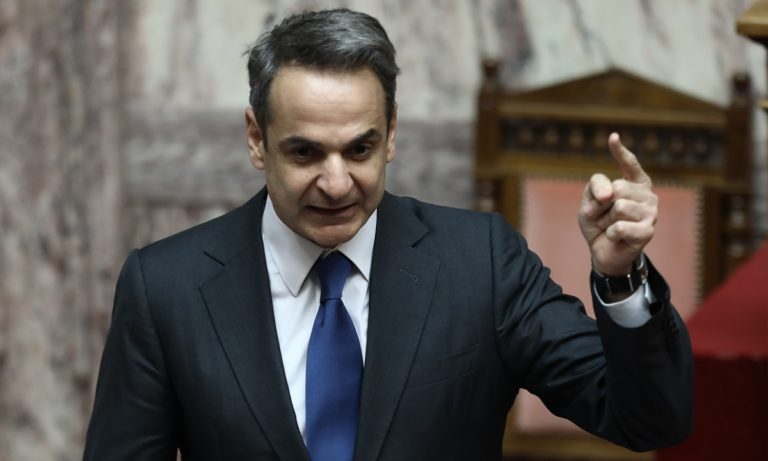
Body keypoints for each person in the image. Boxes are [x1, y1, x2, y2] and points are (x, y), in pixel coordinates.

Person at [83, 8, 692, 461]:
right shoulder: (166, 288)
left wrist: (620, 278)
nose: (336, 183)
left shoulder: (480, 263)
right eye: (304, 152)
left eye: (360, 149)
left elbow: (648, 422)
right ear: (256, 139)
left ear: (391, 134)